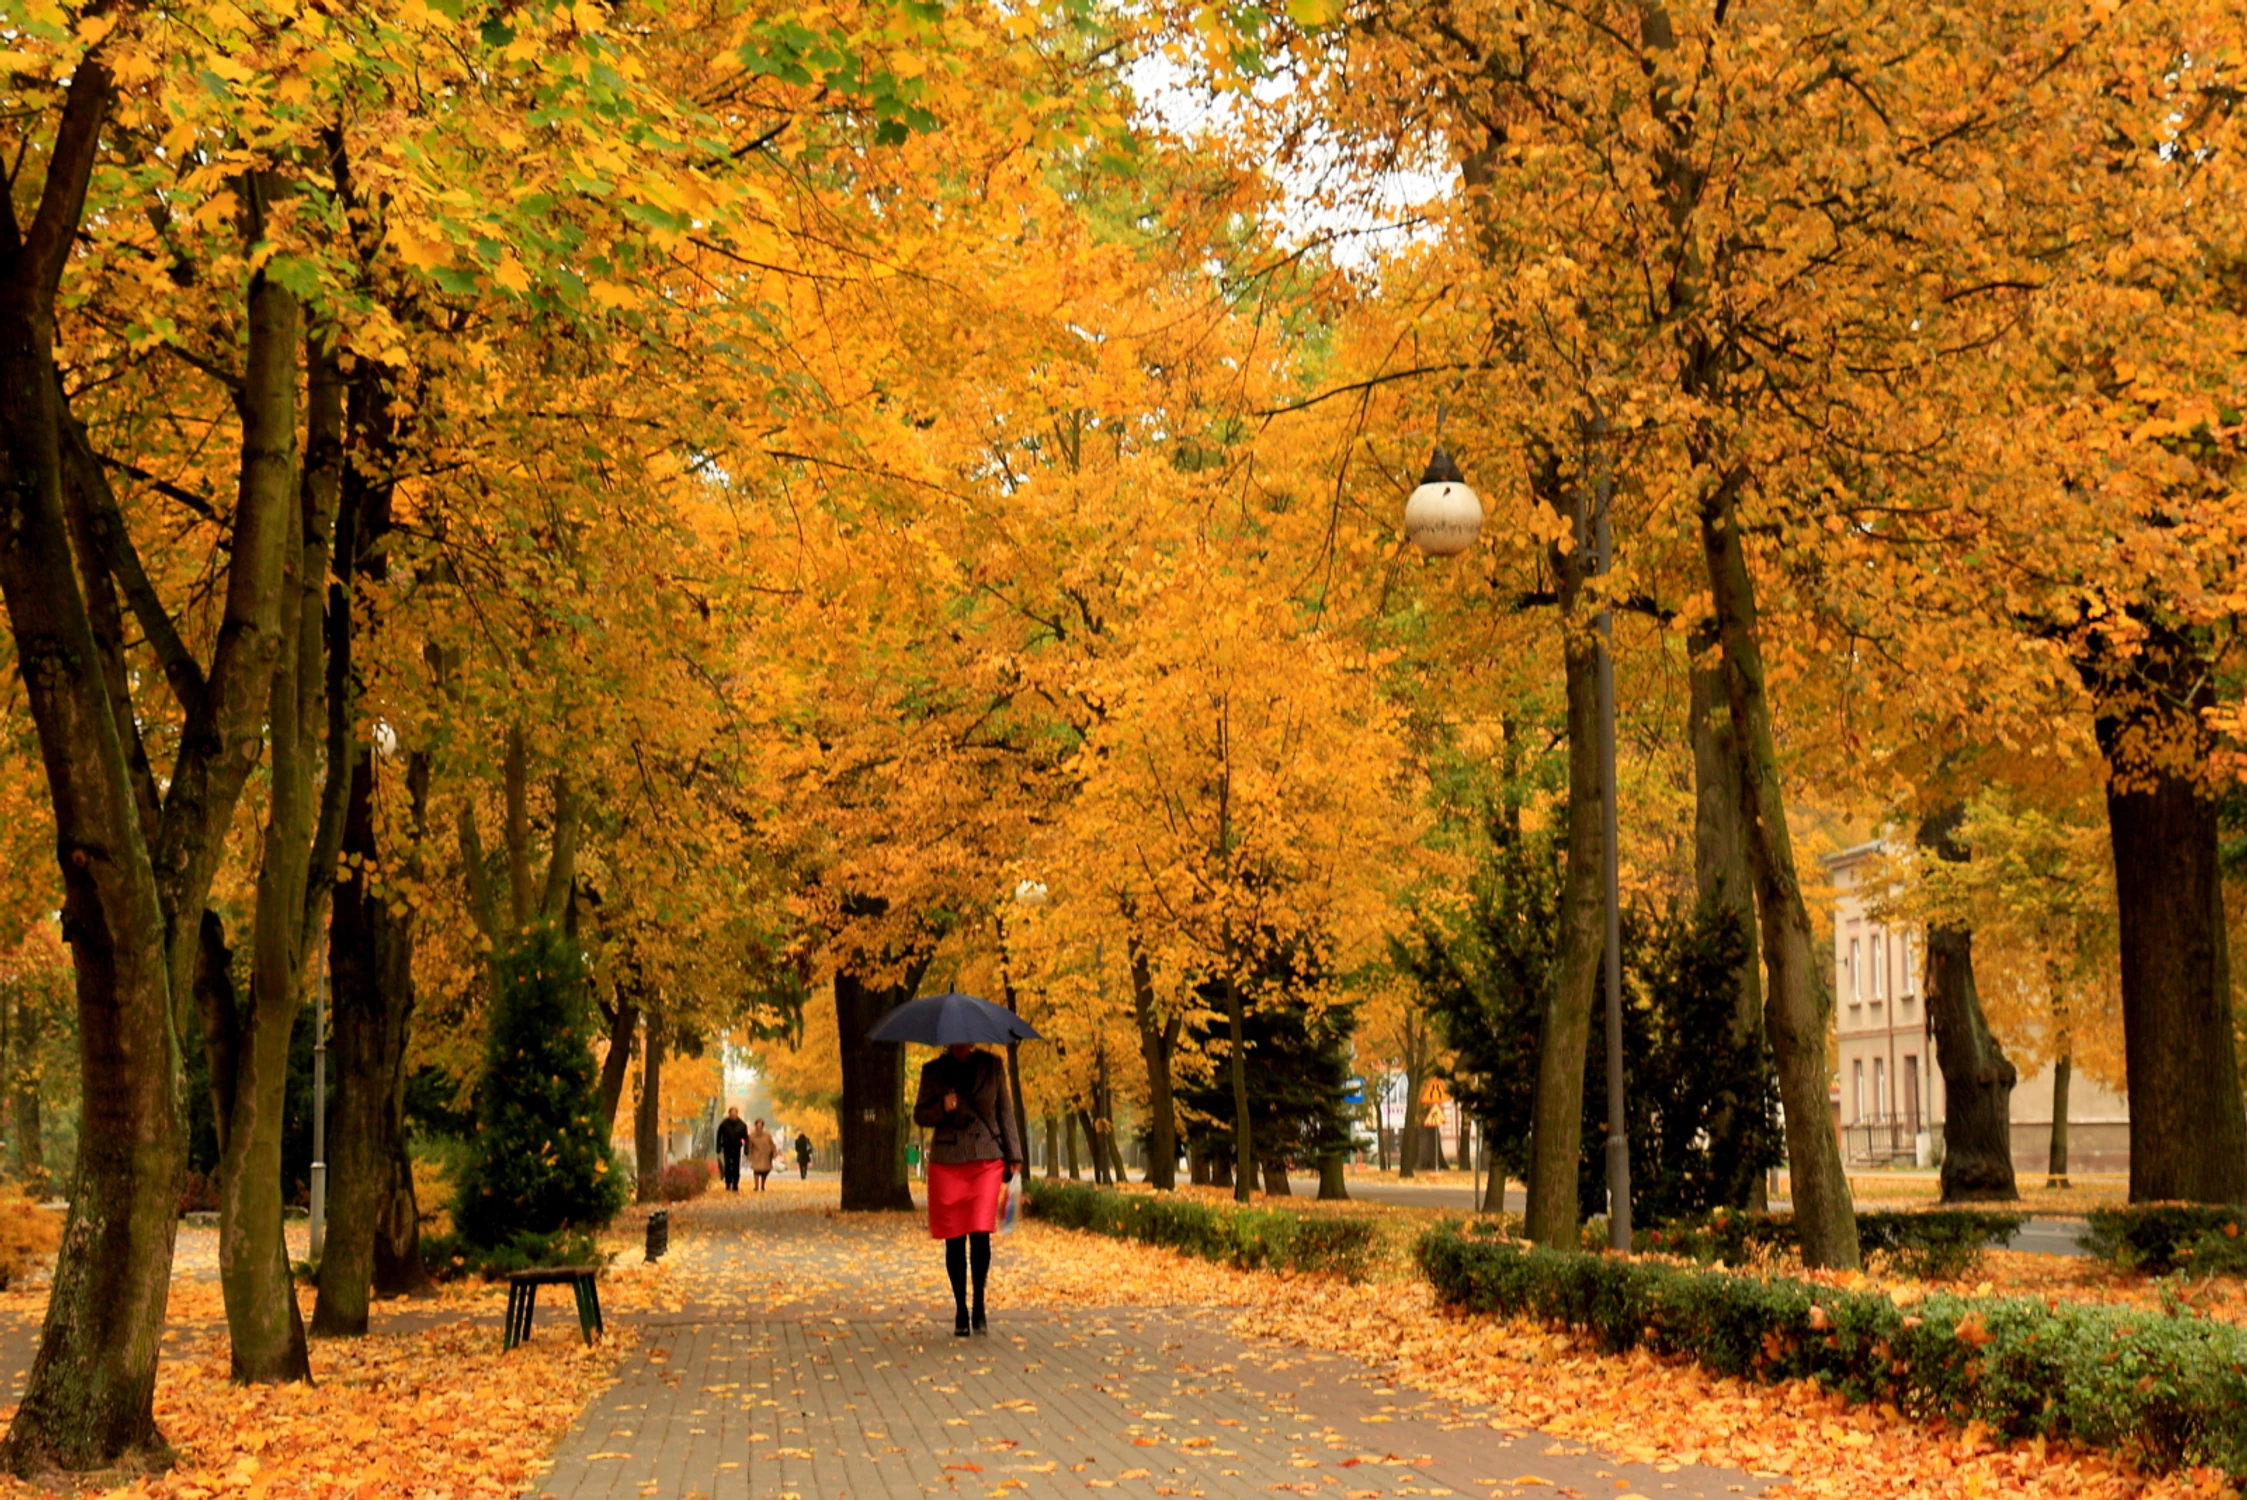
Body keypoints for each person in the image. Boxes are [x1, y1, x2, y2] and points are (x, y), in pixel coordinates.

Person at [912, 1042, 1022, 1337]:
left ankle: (980, 1305)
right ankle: (960, 1307)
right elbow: (920, 1115)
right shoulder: (934, 1071)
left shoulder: (993, 1066)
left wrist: (1014, 1156)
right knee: (954, 1237)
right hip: (948, 1161)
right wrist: (942, 1108)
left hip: (986, 1159)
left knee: (981, 1230)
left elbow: (1005, 1112)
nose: (964, 1044)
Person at [716, 1107, 749, 1192]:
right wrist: (719, 1147)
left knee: (735, 1167)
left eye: (735, 1114)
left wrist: (746, 1149)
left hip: (737, 1148)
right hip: (726, 1147)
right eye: (731, 1114)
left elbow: (745, 1138)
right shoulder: (724, 1124)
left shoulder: (742, 1125)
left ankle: (735, 1184)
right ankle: (728, 1183)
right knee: (727, 1166)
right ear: (729, 1114)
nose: (733, 1115)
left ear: (737, 1114)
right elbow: (719, 1136)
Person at [746, 1117, 779, 1191]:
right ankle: (756, 1186)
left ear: (763, 1126)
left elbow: (772, 1144)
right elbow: (749, 1146)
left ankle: (763, 1185)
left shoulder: (767, 1135)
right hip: (756, 1155)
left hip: (766, 1155)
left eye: (760, 1126)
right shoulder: (751, 1136)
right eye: (757, 1126)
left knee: (765, 1171)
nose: (759, 1128)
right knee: (756, 1171)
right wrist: (749, 1155)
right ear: (755, 1126)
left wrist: (774, 1152)